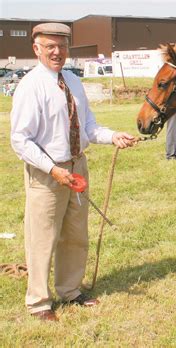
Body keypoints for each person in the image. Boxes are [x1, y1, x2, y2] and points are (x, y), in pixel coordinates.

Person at [10, 23, 135, 322]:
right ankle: (39, 302)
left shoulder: (73, 82)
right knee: (42, 239)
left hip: (77, 166)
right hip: (47, 173)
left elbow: (89, 125)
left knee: (76, 235)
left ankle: (70, 290)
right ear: (36, 49)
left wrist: (113, 135)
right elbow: (20, 139)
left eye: (62, 46)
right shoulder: (30, 86)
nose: (57, 52)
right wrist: (52, 169)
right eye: (50, 46)